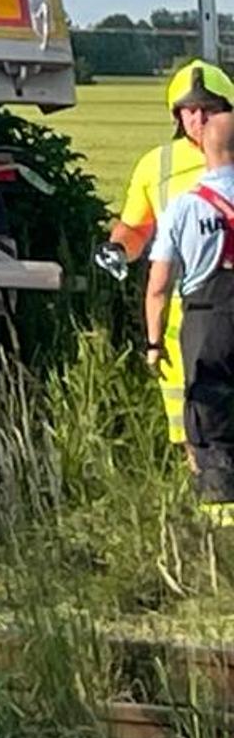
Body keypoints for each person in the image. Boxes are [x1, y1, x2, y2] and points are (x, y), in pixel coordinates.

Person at [105, 60, 234, 459]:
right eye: (189, 110)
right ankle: (199, 490)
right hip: (178, 317)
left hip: (215, 304)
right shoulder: (156, 165)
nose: (198, 119)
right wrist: (117, 249)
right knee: (192, 425)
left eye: (208, 109)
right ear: (176, 115)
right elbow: (135, 228)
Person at [149, 89, 234, 511]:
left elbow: (158, 285)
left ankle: (220, 514)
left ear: (203, 148)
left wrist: (153, 342)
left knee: (210, 414)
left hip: (206, 321)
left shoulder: (183, 207)